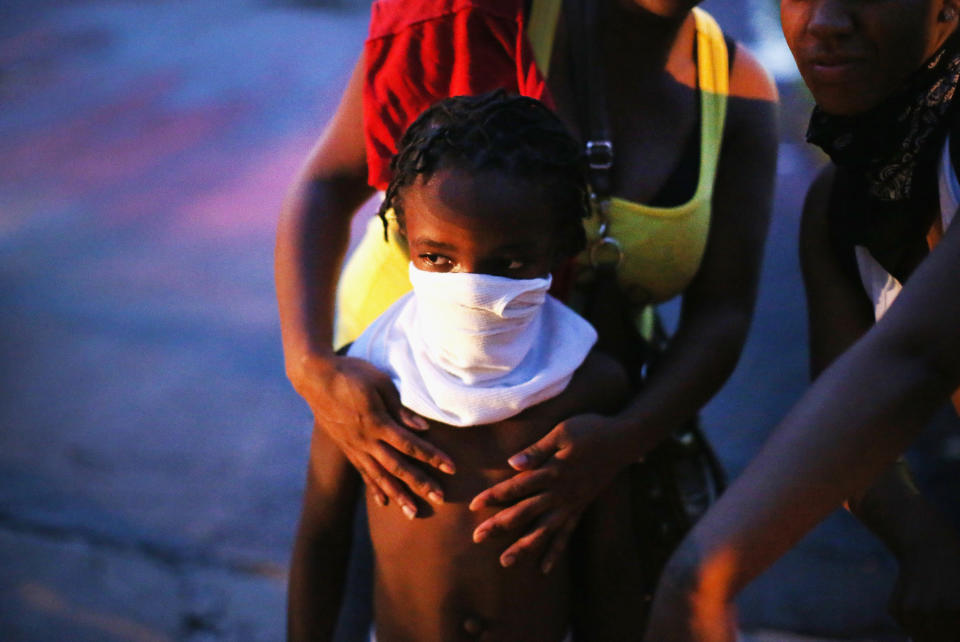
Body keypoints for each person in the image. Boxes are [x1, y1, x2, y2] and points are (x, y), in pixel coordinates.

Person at [276, 0, 779, 584]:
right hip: (396, 410)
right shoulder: (473, 17)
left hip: (582, 429)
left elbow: (722, 314)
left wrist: (627, 435)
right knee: (380, 589)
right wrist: (311, 366)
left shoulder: (738, 92)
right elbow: (324, 184)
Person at [642, 0, 960, 640]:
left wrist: (700, 576)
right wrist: (923, 541)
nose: (824, 23)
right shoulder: (843, 202)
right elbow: (854, 430)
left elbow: (913, 356)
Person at [290, 91, 646, 642]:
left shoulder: (589, 387)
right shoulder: (365, 384)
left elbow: (611, 569)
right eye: (438, 258)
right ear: (404, 238)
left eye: (508, 264)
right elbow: (322, 541)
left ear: (561, 249)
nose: (472, 288)